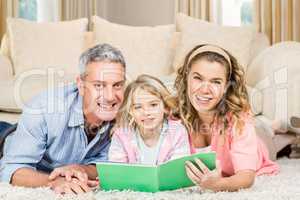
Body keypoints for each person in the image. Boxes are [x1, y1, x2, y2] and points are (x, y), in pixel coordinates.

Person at [0, 44, 126, 194]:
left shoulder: (128, 113)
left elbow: (107, 165)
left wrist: (80, 169)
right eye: (99, 85)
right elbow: (12, 169)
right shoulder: (43, 108)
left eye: (117, 85)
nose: (111, 96)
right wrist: (54, 182)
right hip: (6, 136)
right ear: (80, 84)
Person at [174, 44, 279, 192]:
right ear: (186, 77)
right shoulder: (175, 113)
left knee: (270, 139)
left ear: (226, 87)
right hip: (247, 134)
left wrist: (216, 185)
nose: (205, 89)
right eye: (198, 78)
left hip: (259, 147)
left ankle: (277, 130)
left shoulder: (239, 120)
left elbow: (246, 177)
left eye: (216, 82)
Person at [108, 74, 190, 164]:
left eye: (153, 105)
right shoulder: (122, 135)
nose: (146, 112)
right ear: (130, 111)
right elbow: (117, 170)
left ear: (165, 107)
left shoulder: (178, 132)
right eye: (138, 107)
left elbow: (177, 169)